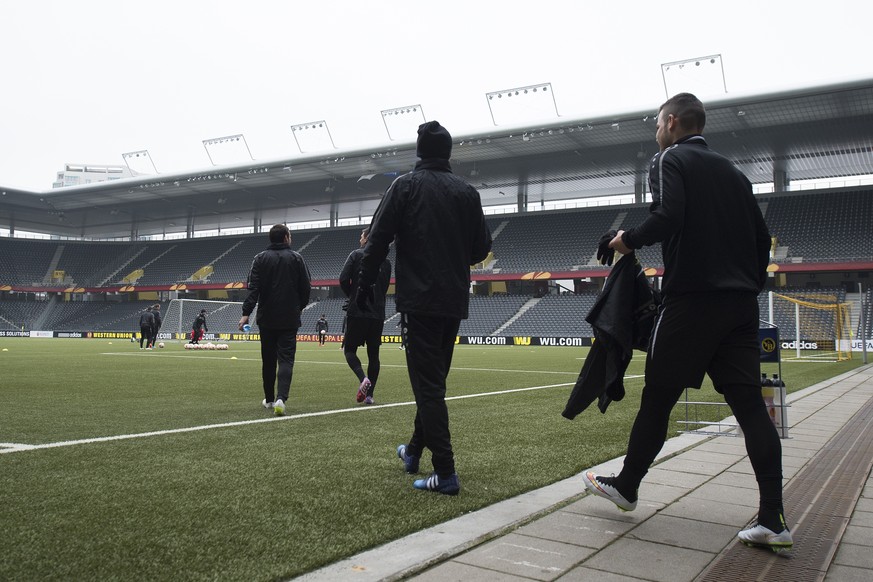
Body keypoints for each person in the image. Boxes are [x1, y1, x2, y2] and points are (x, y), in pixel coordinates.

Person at [581, 93, 791, 551]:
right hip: (740, 306)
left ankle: (628, 485)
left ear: (672, 123)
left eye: (658, 124)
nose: (656, 132)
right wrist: (748, 285)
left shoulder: (669, 158)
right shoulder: (733, 173)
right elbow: (761, 238)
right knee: (751, 408)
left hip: (691, 303)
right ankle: (773, 518)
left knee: (658, 399)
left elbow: (669, 214)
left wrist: (626, 240)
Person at [357, 120, 492, 496]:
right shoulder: (467, 192)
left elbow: (378, 240)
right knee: (432, 381)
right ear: (447, 153)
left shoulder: (405, 186)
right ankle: (413, 452)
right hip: (453, 302)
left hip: (420, 300)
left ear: (419, 152)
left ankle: (445, 472)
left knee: (428, 386)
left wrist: (364, 286)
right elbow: (481, 249)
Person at [239, 224, 311, 416]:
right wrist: (300, 307)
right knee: (286, 359)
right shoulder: (297, 258)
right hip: (289, 317)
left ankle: (269, 399)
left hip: (267, 317)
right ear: (286, 237)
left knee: (268, 359)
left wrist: (246, 313)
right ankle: (281, 399)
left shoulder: (259, 259)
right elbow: (306, 287)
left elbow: (253, 289)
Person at [339, 228, 391, 405]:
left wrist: (352, 296)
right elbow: (383, 289)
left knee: (349, 350)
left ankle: (363, 379)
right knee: (373, 354)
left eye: (361, 236)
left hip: (358, 310)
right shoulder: (386, 262)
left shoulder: (355, 255)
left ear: (367, 238)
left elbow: (343, 279)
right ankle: (370, 395)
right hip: (377, 313)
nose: (360, 239)